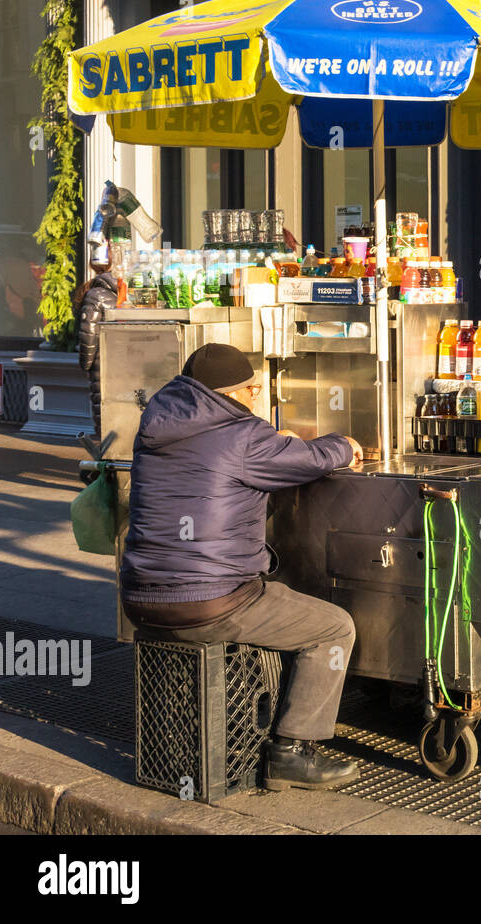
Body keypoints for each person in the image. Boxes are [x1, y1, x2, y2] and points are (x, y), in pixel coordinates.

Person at [120, 342, 366, 790]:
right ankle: (290, 752)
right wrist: (344, 445)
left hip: (139, 598)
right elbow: (310, 459)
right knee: (334, 627)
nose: (258, 397)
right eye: (253, 389)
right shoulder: (242, 435)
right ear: (231, 394)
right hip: (210, 603)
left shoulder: (156, 425)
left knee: (277, 604)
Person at [73, 243, 119, 441]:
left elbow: (87, 335)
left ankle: (107, 460)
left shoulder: (94, 295)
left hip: (102, 363)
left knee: (103, 411)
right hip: (126, 362)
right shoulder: (125, 291)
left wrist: (85, 363)